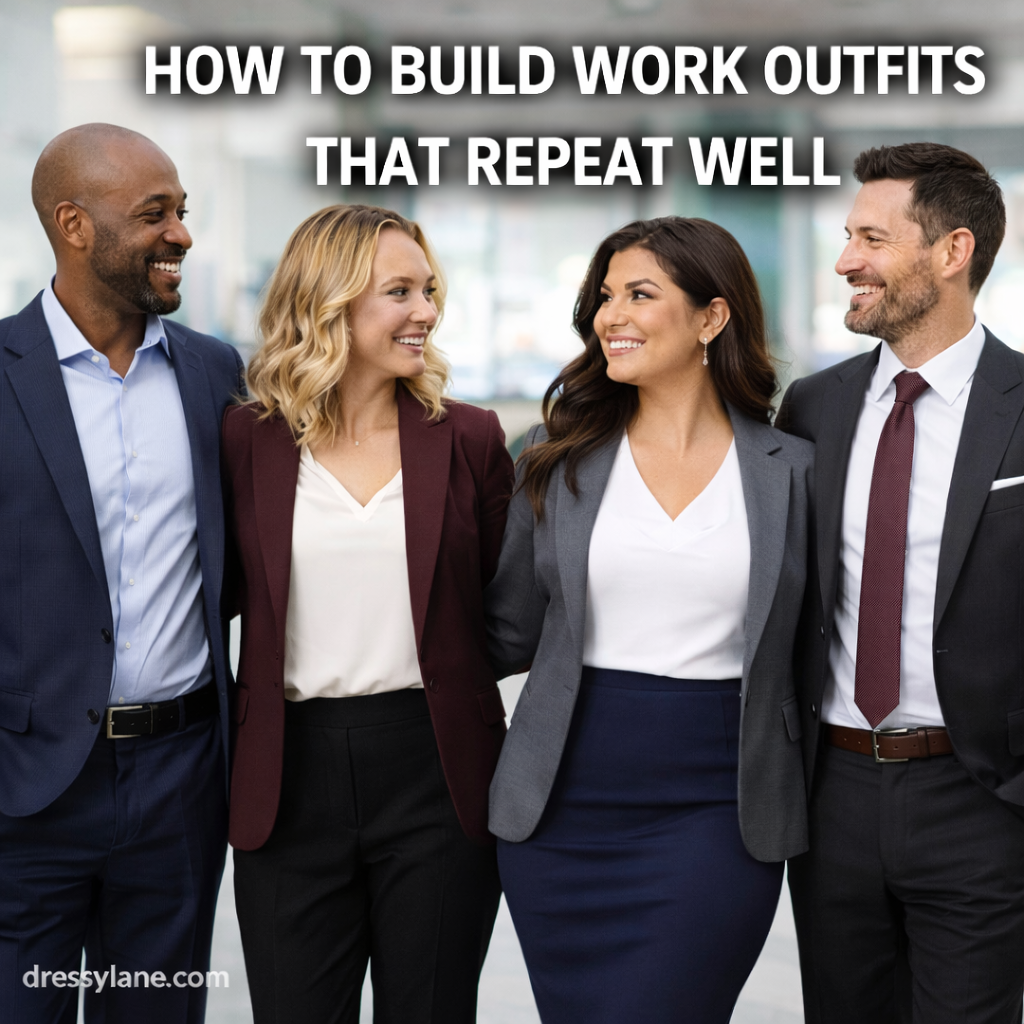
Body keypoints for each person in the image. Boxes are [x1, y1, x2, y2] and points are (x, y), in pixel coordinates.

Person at [486, 216, 813, 1023]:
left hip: (717, 809)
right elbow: (504, 633)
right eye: (604, 297)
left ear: (712, 316)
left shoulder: (793, 468)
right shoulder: (552, 457)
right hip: (562, 807)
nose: (610, 316)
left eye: (639, 294)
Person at [222, 203, 514, 1024]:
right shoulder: (247, 440)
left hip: (437, 772)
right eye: (399, 292)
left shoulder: (470, 438)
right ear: (330, 301)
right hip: (289, 775)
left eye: (428, 291)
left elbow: (503, 601)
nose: (426, 311)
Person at [0, 124, 243, 1023]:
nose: (181, 234)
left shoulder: (216, 375)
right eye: (155, 214)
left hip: (180, 785)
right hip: (25, 794)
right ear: (74, 223)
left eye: (182, 212)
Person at [777, 142, 1024, 1023]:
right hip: (834, 791)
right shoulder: (814, 406)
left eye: (872, 239)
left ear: (951, 253)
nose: (847, 260)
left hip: (982, 798)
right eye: (848, 236)